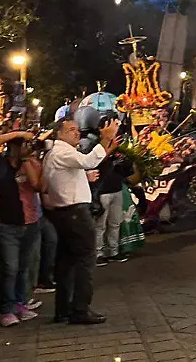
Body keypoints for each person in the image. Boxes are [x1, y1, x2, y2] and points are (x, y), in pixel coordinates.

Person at [42, 116, 119, 325]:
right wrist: (105, 139)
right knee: (85, 259)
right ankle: (80, 309)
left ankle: (65, 309)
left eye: (77, 129)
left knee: (67, 262)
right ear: (59, 133)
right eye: (71, 130)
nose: (77, 133)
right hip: (74, 212)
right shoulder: (61, 152)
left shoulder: (60, 153)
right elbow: (88, 161)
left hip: (67, 212)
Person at [0, 134, 47, 326]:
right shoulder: (0, 163)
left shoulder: (30, 163)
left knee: (23, 267)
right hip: (7, 224)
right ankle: (6, 309)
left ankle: (20, 303)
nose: (28, 147)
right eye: (23, 144)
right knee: (10, 268)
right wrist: (18, 133)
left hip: (30, 221)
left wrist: (30, 160)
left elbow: (39, 186)